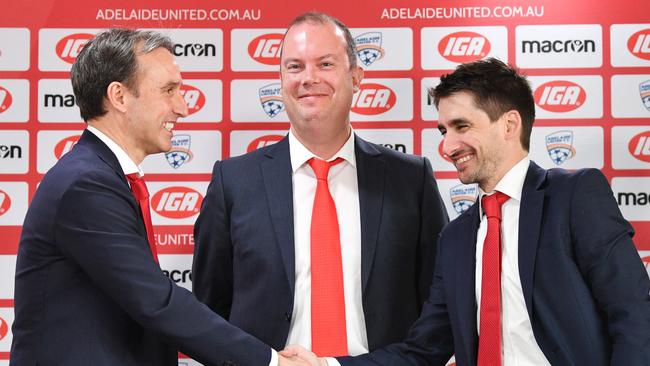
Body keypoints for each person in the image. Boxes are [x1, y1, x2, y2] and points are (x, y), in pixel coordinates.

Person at [284, 58, 650, 365]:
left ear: (509, 124)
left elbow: (635, 313)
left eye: (461, 127)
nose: (446, 146)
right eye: (443, 130)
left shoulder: (574, 196)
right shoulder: (456, 237)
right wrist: (326, 364)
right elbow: (423, 351)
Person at [11, 28, 306, 366]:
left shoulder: (100, 176)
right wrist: (272, 362)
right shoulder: (86, 184)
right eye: (168, 90)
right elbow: (157, 302)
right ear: (119, 97)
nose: (182, 107)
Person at [192, 11, 448, 362]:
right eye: (294, 67)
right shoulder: (232, 182)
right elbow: (210, 312)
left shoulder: (411, 180)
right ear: (281, 80)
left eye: (325, 64)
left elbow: (440, 305)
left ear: (356, 77)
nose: (308, 78)